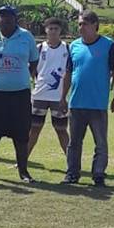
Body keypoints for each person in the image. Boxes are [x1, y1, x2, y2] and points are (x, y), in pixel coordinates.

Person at [0, 5, 39, 182]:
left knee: (21, 134)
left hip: (20, 94)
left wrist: (22, 76)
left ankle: (23, 172)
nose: (5, 20)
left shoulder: (26, 37)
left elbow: (34, 61)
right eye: (2, 17)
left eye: (9, 17)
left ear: (15, 19)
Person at [60, 10, 114, 187]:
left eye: (85, 24)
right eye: (80, 24)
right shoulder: (73, 46)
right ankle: (72, 173)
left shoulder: (108, 45)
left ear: (95, 25)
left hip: (97, 104)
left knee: (100, 143)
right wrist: (63, 97)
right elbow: (68, 73)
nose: (81, 27)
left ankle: (98, 174)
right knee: (74, 143)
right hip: (77, 103)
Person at [27, 17, 70, 159]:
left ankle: (72, 162)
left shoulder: (67, 48)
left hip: (58, 97)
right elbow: (31, 70)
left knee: (61, 130)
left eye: (56, 29)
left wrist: (65, 96)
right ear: (45, 30)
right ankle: (23, 159)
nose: (52, 31)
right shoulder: (39, 48)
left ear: (60, 31)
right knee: (34, 129)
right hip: (39, 95)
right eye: (50, 28)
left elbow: (70, 72)